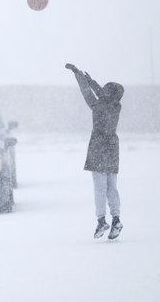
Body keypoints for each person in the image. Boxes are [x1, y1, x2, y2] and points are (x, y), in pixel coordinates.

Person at [66, 63, 125, 239]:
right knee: (112, 187)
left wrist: (79, 76)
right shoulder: (116, 106)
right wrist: (91, 81)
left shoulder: (98, 106)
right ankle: (116, 218)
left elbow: (87, 94)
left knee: (99, 188)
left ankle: (101, 220)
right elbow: (102, 94)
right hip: (112, 149)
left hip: (99, 149)